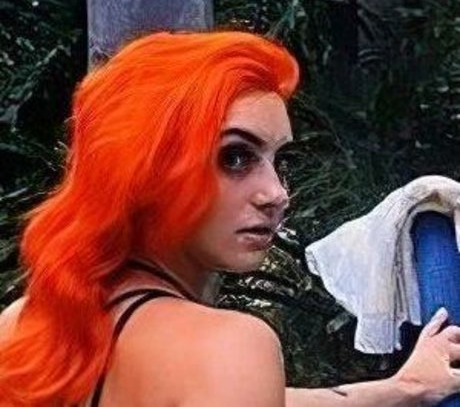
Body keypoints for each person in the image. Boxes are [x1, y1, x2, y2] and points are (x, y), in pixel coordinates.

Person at [0, 31, 460, 407]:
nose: (276, 194)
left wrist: (405, 389)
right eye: (235, 157)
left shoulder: (26, 326)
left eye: (278, 161)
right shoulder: (230, 348)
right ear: (145, 168)